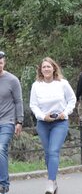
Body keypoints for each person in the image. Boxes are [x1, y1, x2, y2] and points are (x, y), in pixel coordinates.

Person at [30, 57, 76, 194]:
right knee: (48, 153)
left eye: (48, 67)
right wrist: (43, 116)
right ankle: (54, 181)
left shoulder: (62, 83)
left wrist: (65, 112)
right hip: (43, 123)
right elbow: (33, 105)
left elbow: (72, 99)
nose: (46, 69)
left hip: (59, 122)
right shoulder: (36, 85)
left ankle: (50, 182)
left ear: (54, 68)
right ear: (40, 70)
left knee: (54, 151)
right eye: (43, 67)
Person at [0, 51, 23, 194]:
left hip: (7, 121)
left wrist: (19, 121)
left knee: (0, 148)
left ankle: (3, 184)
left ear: (4, 63)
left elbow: (18, 101)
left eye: (0, 63)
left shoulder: (12, 80)